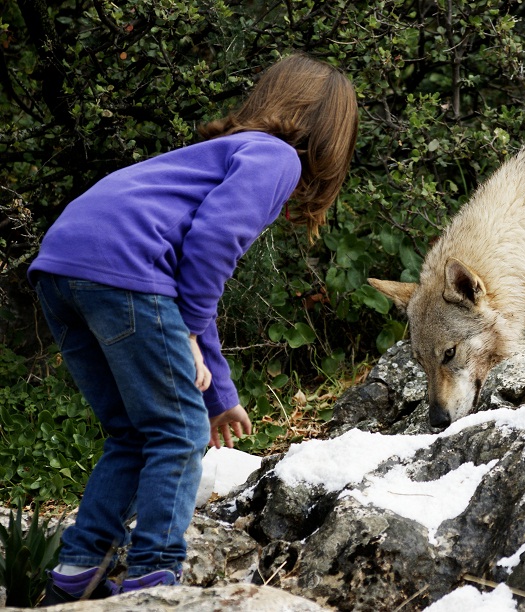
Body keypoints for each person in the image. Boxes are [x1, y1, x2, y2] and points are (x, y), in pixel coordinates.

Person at [28, 52, 358, 603]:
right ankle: (155, 577)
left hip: (63, 268)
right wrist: (185, 335)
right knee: (178, 432)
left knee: (135, 432)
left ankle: (78, 571)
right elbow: (209, 247)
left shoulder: (218, 151)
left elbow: (186, 278)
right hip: (125, 272)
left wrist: (220, 394)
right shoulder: (277, 157)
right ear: (330, 130)